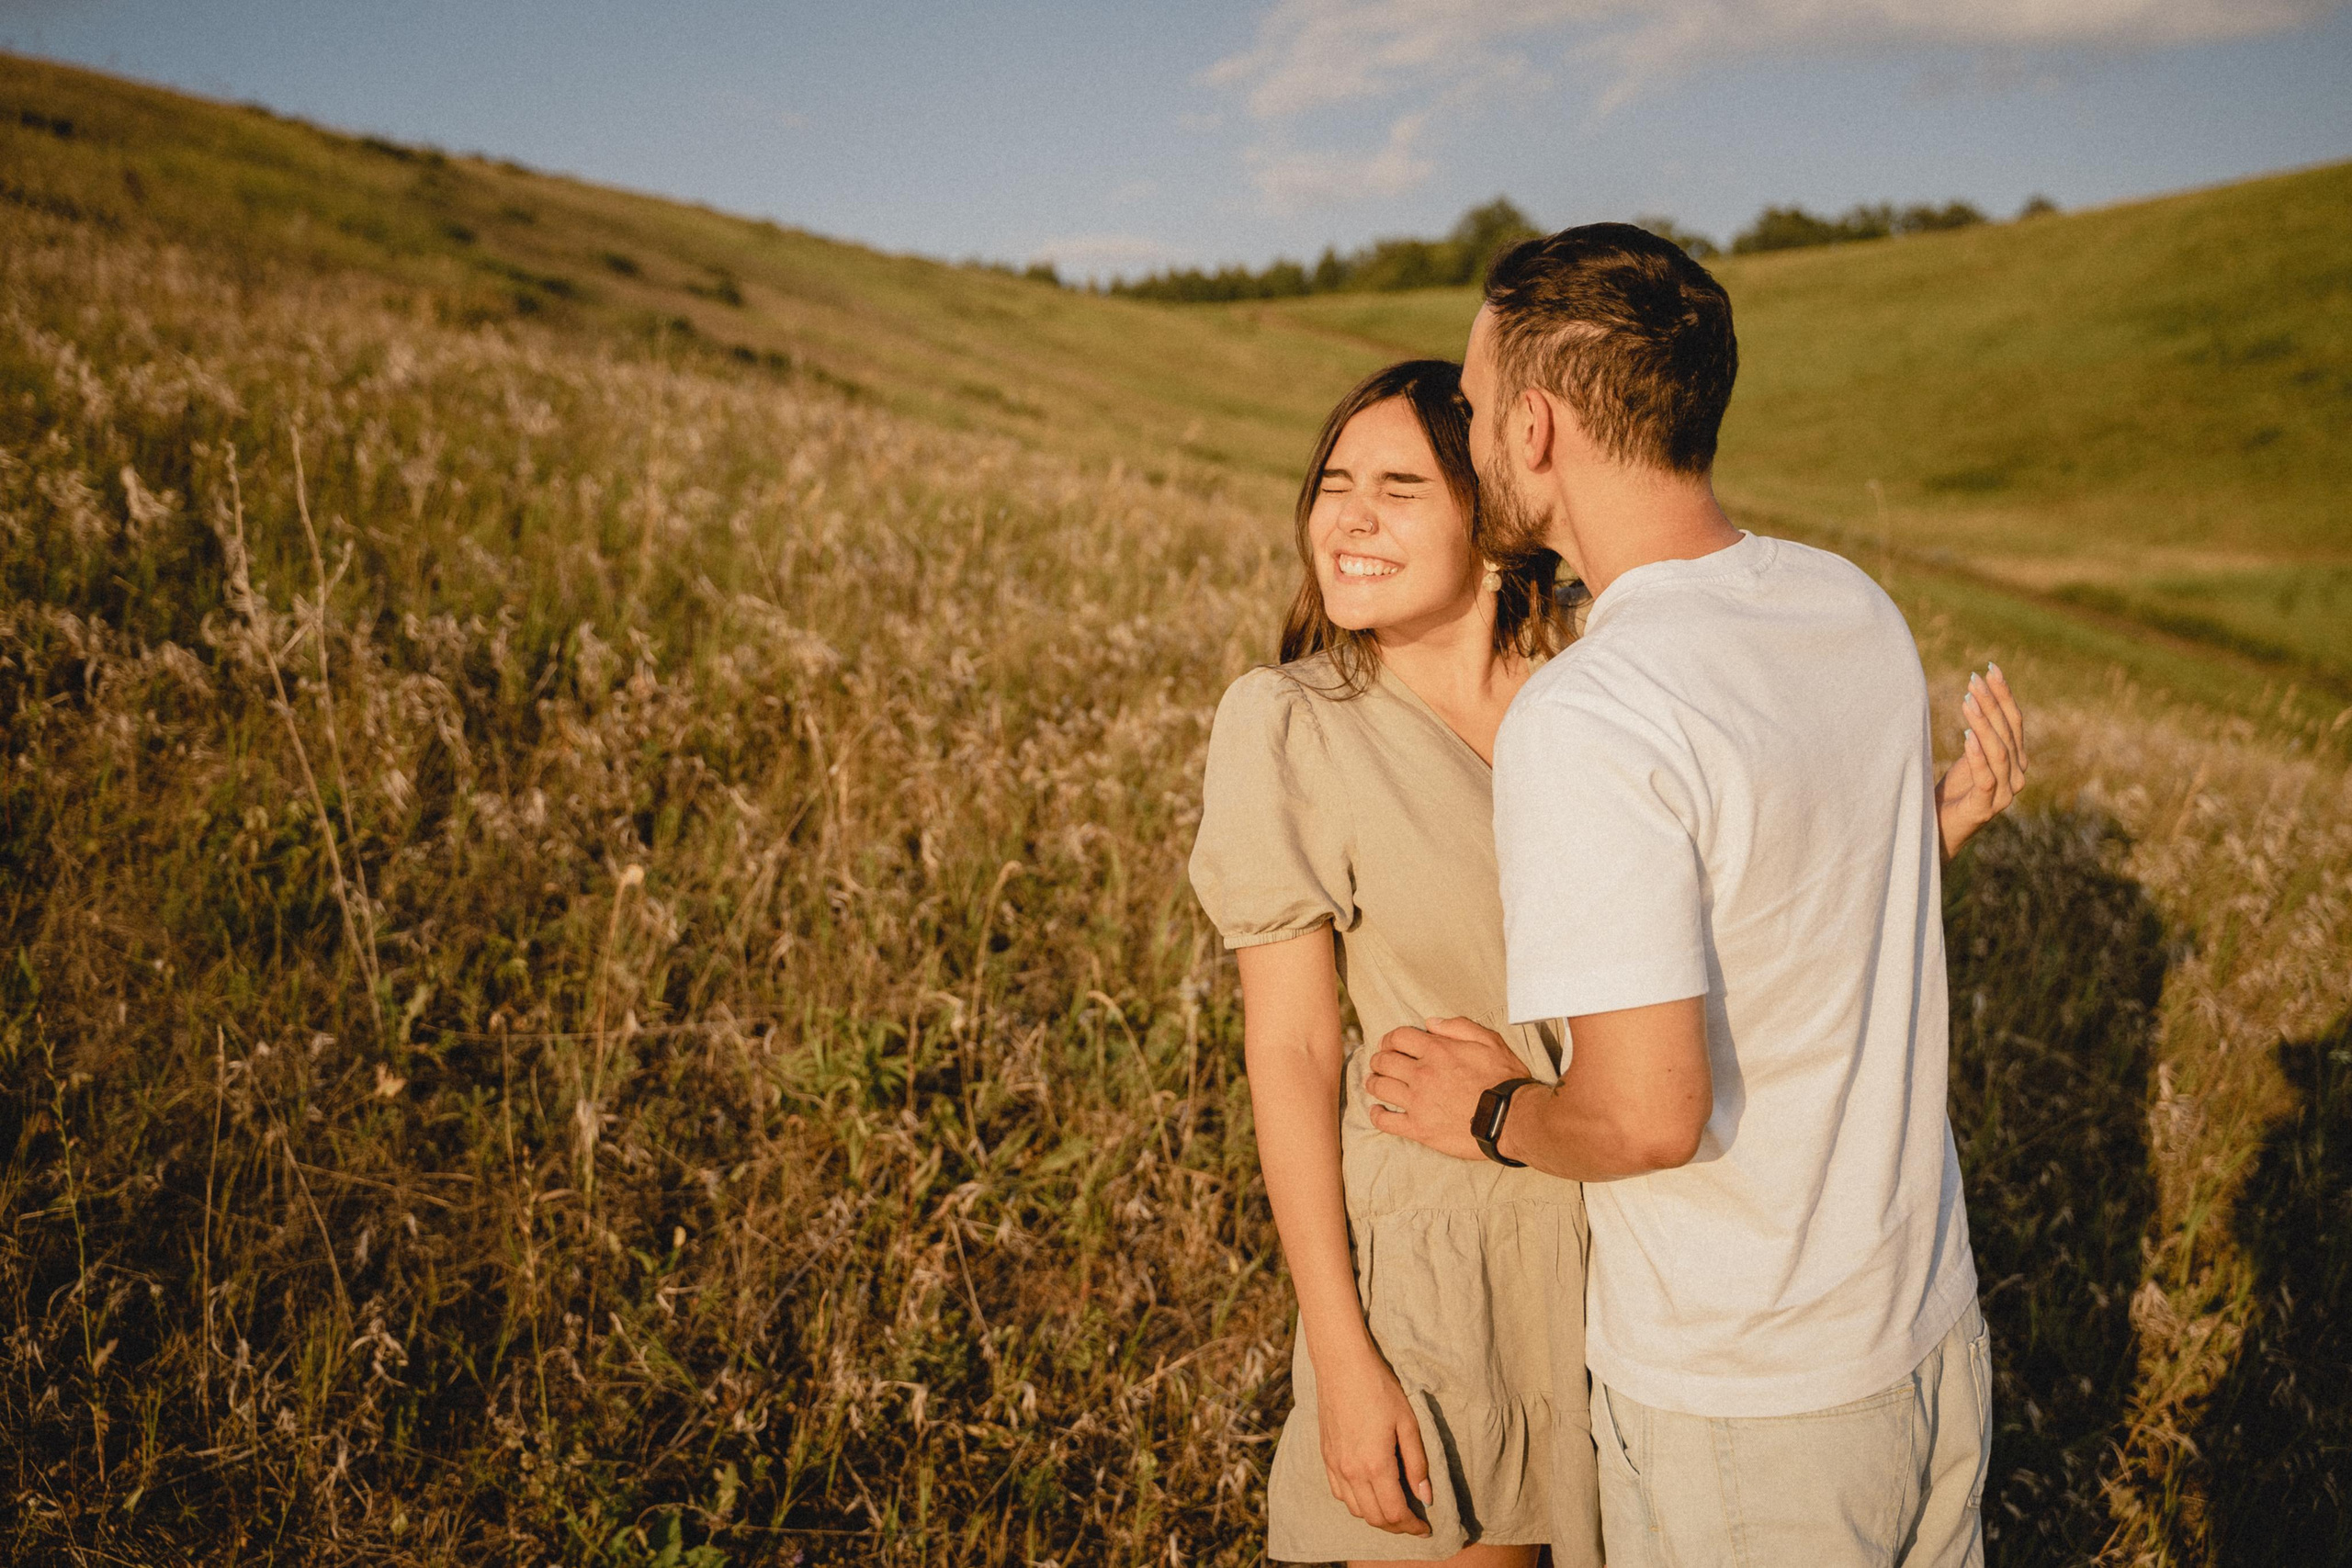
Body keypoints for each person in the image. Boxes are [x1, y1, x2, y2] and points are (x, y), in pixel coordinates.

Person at [1365, 223, 2027, 1568]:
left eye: (1481, 405)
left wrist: (1488, 1110)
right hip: (1928, 1335)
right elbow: (1797, 915)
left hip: (1748, 1399)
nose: (1472, 427)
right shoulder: (1849, 607)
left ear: (1538, 429)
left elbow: (1647, 1117)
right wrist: (1924, 841)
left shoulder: (1595, 712)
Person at [1188, 359, 1602, 1566]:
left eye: (1400, 487)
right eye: (1333, 485)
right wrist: (1342, 1354)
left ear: (1491, 515)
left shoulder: (1598, 692)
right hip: (1441, 1274)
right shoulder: (1289, 722)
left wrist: (1919, 837)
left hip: (1626, 1251)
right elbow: (1294, 1048)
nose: (1348, 518)